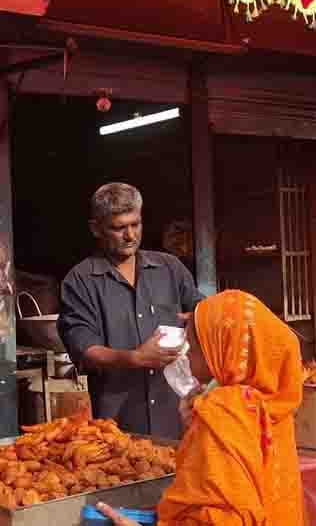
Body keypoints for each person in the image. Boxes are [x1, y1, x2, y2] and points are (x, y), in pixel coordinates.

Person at [96, 290, 305, 526]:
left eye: (193, 347)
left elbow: (224, 519)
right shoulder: (271, 405)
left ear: (222, 351)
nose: (186, 356)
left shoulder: (224, 410)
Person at [58, 183, 206, 439]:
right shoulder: (80, 280)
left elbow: (202, 313)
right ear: (96, 229)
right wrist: (135, 358)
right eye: (118, 228)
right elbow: (85, 349)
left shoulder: (169, 268)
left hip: (177, 416)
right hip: (119, 425)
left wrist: (201, 320)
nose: (130, 236)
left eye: (135, 224)